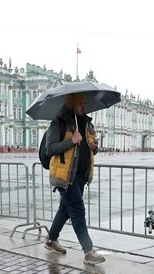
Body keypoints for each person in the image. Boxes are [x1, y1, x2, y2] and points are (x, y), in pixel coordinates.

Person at [43, 92, 105, 264]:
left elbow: (90, 149)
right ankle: (88, 251)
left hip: (81, 177)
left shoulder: (86, 124)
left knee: (65, 210)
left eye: (85, 103)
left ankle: (51, 240)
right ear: (71, 105)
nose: (84, 107)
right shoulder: (59, 123)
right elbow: (50, 149)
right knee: (78, 211)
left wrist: (94, 147)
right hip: (65, 177)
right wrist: (71, 140)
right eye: (80, 104)